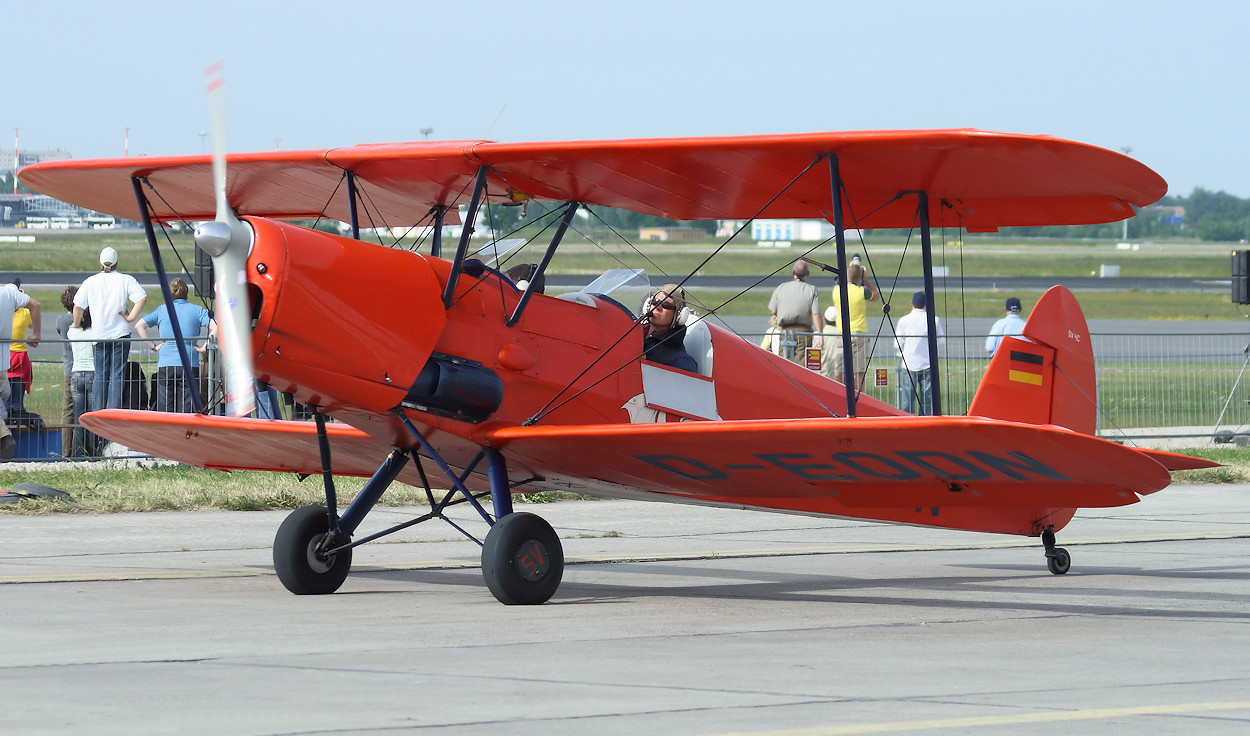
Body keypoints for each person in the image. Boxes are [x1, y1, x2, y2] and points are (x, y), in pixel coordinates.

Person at [73, 247, 148, 411]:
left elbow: (78, 306)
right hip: (120, 334)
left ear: (100, 263)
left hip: (99, 335)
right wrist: (131, 317)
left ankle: (99, 411)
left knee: (100, 375)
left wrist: (76, 324)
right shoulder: (125, 279)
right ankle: (114, 412)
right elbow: (142, 297)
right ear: (117, 262)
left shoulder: (91, 281)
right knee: (117, 375)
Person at [134, 278, 216, 413]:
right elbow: (216, 327)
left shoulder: (161, 310)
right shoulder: (196, 310)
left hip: (166, 363)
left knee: (165, 407)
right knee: (187, 408)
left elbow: (139, 325)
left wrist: (153, 346)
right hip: (189, 363)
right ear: (186, 293)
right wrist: (204, 347)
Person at [822, 261, 879, 391]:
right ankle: (858, 398)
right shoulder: (862, 291)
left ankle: (840, 395)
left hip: (842, 332)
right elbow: (875, 295)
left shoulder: (837, 290)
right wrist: (866, 279)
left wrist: (849, 269)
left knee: (839, 369)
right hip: (859, 332)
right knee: (859, 371)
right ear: (859, 278)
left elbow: (840, 280)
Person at [0, 281, 39, 459]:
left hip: (9, 357)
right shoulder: (17, 303)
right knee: (10, 398)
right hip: (11, 361)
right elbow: (34, 309)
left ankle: (5, 435)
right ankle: (5, 433)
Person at [895, 291, 945, 416]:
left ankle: (906, 421)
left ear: (911, 303)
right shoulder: (934, 319)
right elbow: (941, 341)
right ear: (925, 305)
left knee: (907, 399)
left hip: (908, 363)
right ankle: (926, 422)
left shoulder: (903, 320)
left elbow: (897, 343)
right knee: (927, 400)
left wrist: (902, 353)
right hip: (928, 363)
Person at [768, 261, 823, 363]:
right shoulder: (811, 290)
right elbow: (815, 313)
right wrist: (820, 333)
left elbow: (773, 311)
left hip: (785, 331)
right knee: (801, 364)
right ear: (808, 274)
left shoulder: (781, 287)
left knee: (784, 362)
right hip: (804, 333)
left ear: (793, 273)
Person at [641, 284, 698, 373]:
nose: (657, 307)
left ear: (679, 315)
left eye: (665, 304)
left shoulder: (680, 362)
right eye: (655, 301)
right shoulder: (635, 334)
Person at [67, 307, 99, 456]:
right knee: (93, 415)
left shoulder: (72, 332)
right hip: (92, 373)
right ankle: (94, 452)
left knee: (78, 416)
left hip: (76, 373)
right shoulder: (95, 332)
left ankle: (79, 453)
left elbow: (71, 345)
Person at [55, 285, 79, 455]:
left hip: (68, 371)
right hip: (83, 368)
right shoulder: (86, 320)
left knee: (67, 411)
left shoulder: (61, 320)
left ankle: (66, 452)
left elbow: (59, 331)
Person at [7, 288, 38, 415]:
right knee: (17, 403)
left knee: (5, 403)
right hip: (19, 358)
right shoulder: (25, 313)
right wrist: (25, 299)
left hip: (5, 356)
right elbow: (32, 325)